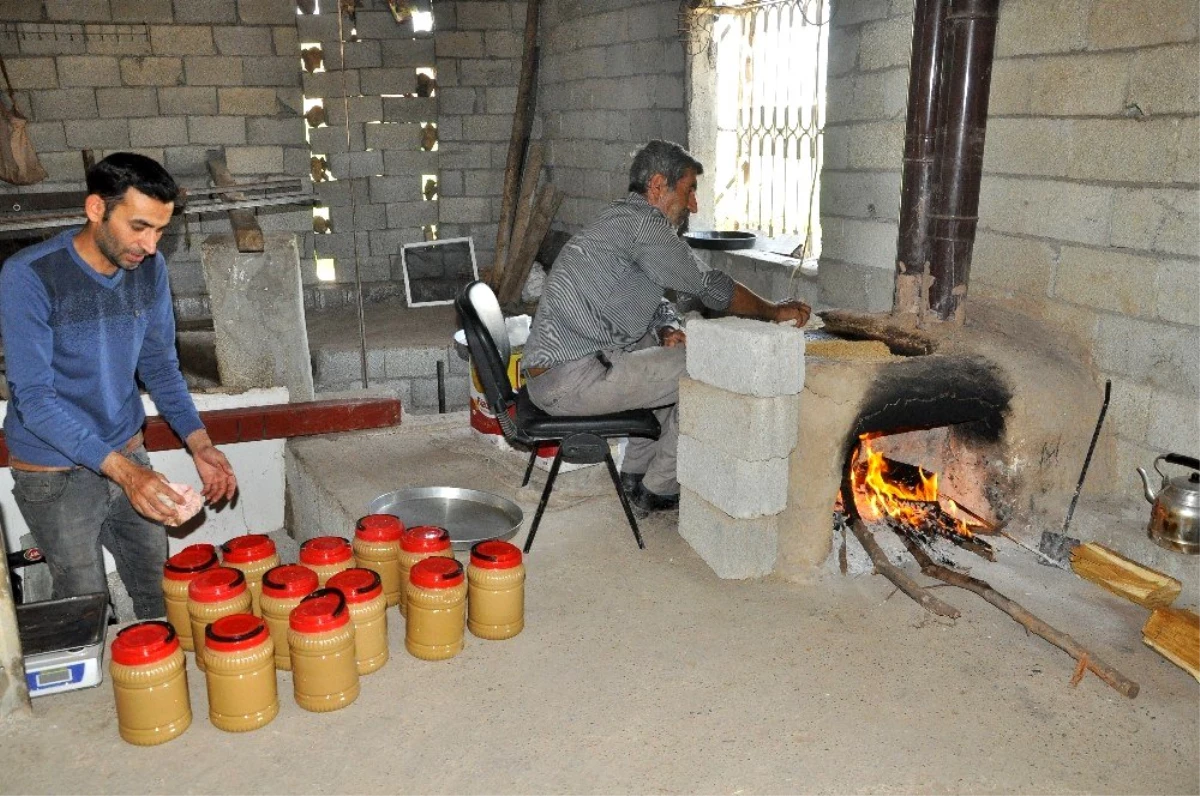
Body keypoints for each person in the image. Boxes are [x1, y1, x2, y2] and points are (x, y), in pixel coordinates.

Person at [0, 152, 238, 618]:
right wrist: (128, 475)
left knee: (156, 584)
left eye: (160, 231)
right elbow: (35, 402)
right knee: (85, 601)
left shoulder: (148, 270)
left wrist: (200, 443)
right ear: (96, 210)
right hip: (53, 470)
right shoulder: (30, 276)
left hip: (127, 447)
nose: (150, 246)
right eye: (139, 227)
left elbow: (161, 366)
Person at [522, 140, 810, 515]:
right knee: (709, 367)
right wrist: (773, 311)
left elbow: (644, 296)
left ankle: (635, 476)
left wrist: (663, 329)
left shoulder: (618, 220)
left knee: (669, 354)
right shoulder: (646, 227)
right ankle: (658, 487)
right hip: (571, 381)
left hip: (557, 376)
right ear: (658, 185)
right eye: (689, 191)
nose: (694, 205)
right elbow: (711, 287)